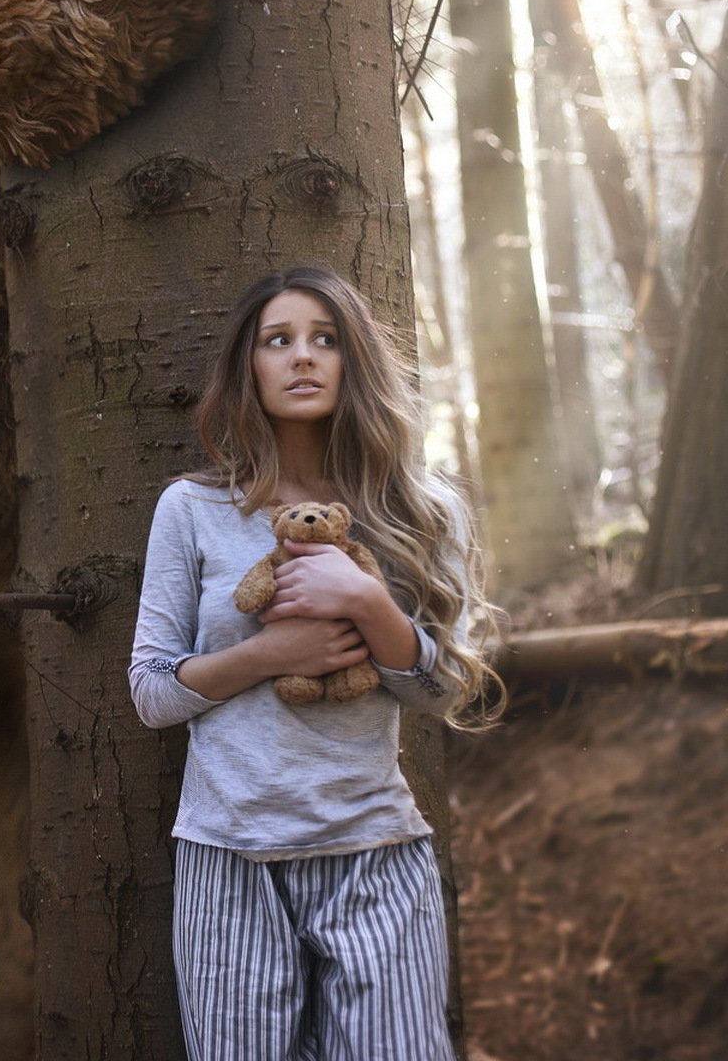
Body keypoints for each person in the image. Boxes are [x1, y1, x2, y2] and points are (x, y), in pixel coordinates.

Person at [129, 266, 501, 1060]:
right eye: (279, 340)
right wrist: (270, 654)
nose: (303, 356)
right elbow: (152, 693)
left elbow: (447, 690)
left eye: (324, 339)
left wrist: (369, 605)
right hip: (229, 860)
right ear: (249, 367)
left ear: (352, 358)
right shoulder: (192, 510)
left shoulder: (422, 510)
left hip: (375, 854)